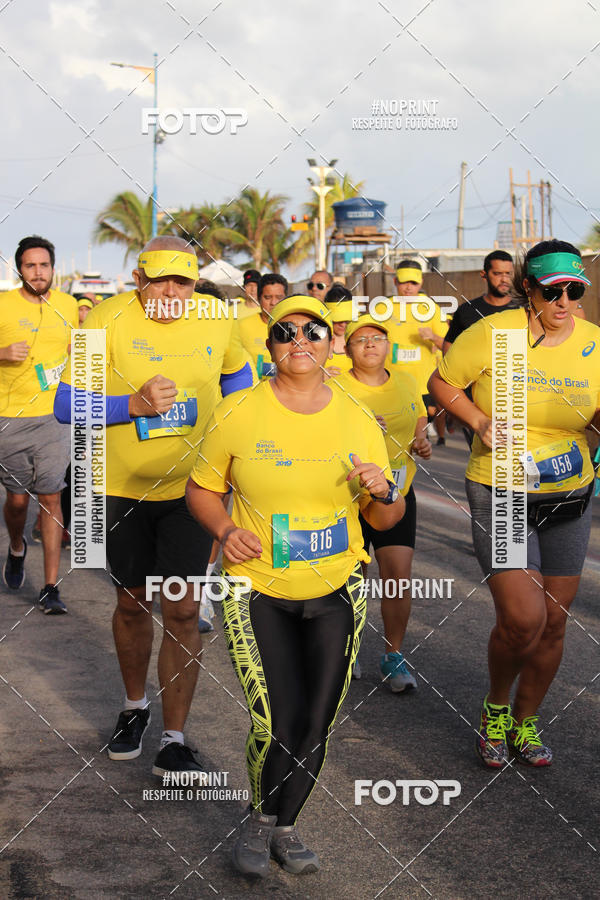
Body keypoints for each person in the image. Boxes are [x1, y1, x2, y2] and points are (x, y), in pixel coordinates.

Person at [186, 295, 404, 878]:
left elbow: (385, 518)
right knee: (275, 721)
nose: (299, 340)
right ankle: (259, 820)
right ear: (269, 345)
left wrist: (384, 491)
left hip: (337, 589)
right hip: (257, 588)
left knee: (317, 721)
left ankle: (286, 825)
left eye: (313, 330)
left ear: (333, 343)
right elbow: (201, 488)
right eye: (285, 332)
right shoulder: (236, 411)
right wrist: (225, 530)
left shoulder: (358, 415)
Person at [55, 236, 252, 775]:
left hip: (194, 488)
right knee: (132, 603)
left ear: (194, 283)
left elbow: (238, 376)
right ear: (138, 280)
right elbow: (65, 404)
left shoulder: (218, 316)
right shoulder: (105, 318)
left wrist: (238, 426)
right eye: (158, 280)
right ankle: (133, 707)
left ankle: (174, 737)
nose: (170, 292)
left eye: (181, 281)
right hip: (119, 487)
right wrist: (132, 405)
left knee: (183, 609)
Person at [429, 239, 600, 768]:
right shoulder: (494, 333)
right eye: (553, 291)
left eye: (574, 291)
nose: (564, 302)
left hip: (570, 491)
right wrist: (478, 420)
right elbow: (442, 382)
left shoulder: (595, 343)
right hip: (501, 489)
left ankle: (526, 721)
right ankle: (496, 709)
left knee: (554, 621)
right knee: (524, 618)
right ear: (529, 288)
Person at [336, 315, 431, 690]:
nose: (370, 344)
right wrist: (359, 430)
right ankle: (348, 648)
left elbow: (419, 417)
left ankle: (394, 656)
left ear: (388, 345)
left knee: (398, 579)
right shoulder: (335, 387)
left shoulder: (406, 381)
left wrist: (421, 441)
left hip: (396, 494)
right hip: (350, 497)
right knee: (351, 577)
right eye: (361, 340)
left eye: (377, 338)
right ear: (348, 350)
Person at [0, 235, 78, 613]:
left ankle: (50, 587)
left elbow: (79, 348)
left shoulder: (68, 305)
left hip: (54, 416)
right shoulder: (3, 305)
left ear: (53, 268)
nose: (38, 272)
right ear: (20, 270)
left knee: (50, 497)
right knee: (17, 501)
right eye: (30, 266)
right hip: (10, 418)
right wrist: (2, 352)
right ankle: (17, 547)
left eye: (44, 265)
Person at [386, 261, 447, 444]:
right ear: (395, 282)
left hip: (422, 385)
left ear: (421, 283)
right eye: (404, 282)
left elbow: (449, 345)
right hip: (392, 382)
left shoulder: (431, 309)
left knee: (419, 435)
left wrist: (433, 337)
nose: (408, 287)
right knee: (396, 436)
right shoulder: (383, 308)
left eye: (413, 283)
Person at [442, 250, 515, 354]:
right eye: (497, 274)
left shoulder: (525, 309)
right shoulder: (466, 311)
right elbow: (449, 346)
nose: (504, 279)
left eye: (508, 273)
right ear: (484, 275)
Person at [238, 273, 287, 379]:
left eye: (279, 297)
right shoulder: (241, 326)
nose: (273, 302)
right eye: (268, 297)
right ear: (259, 299)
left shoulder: (296, 328)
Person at [323, 283, 354, 377]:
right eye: (338, 320)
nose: (343, 324)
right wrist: (319, 376)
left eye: (347, 320)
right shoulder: (317, 342)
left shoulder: (360, 338)